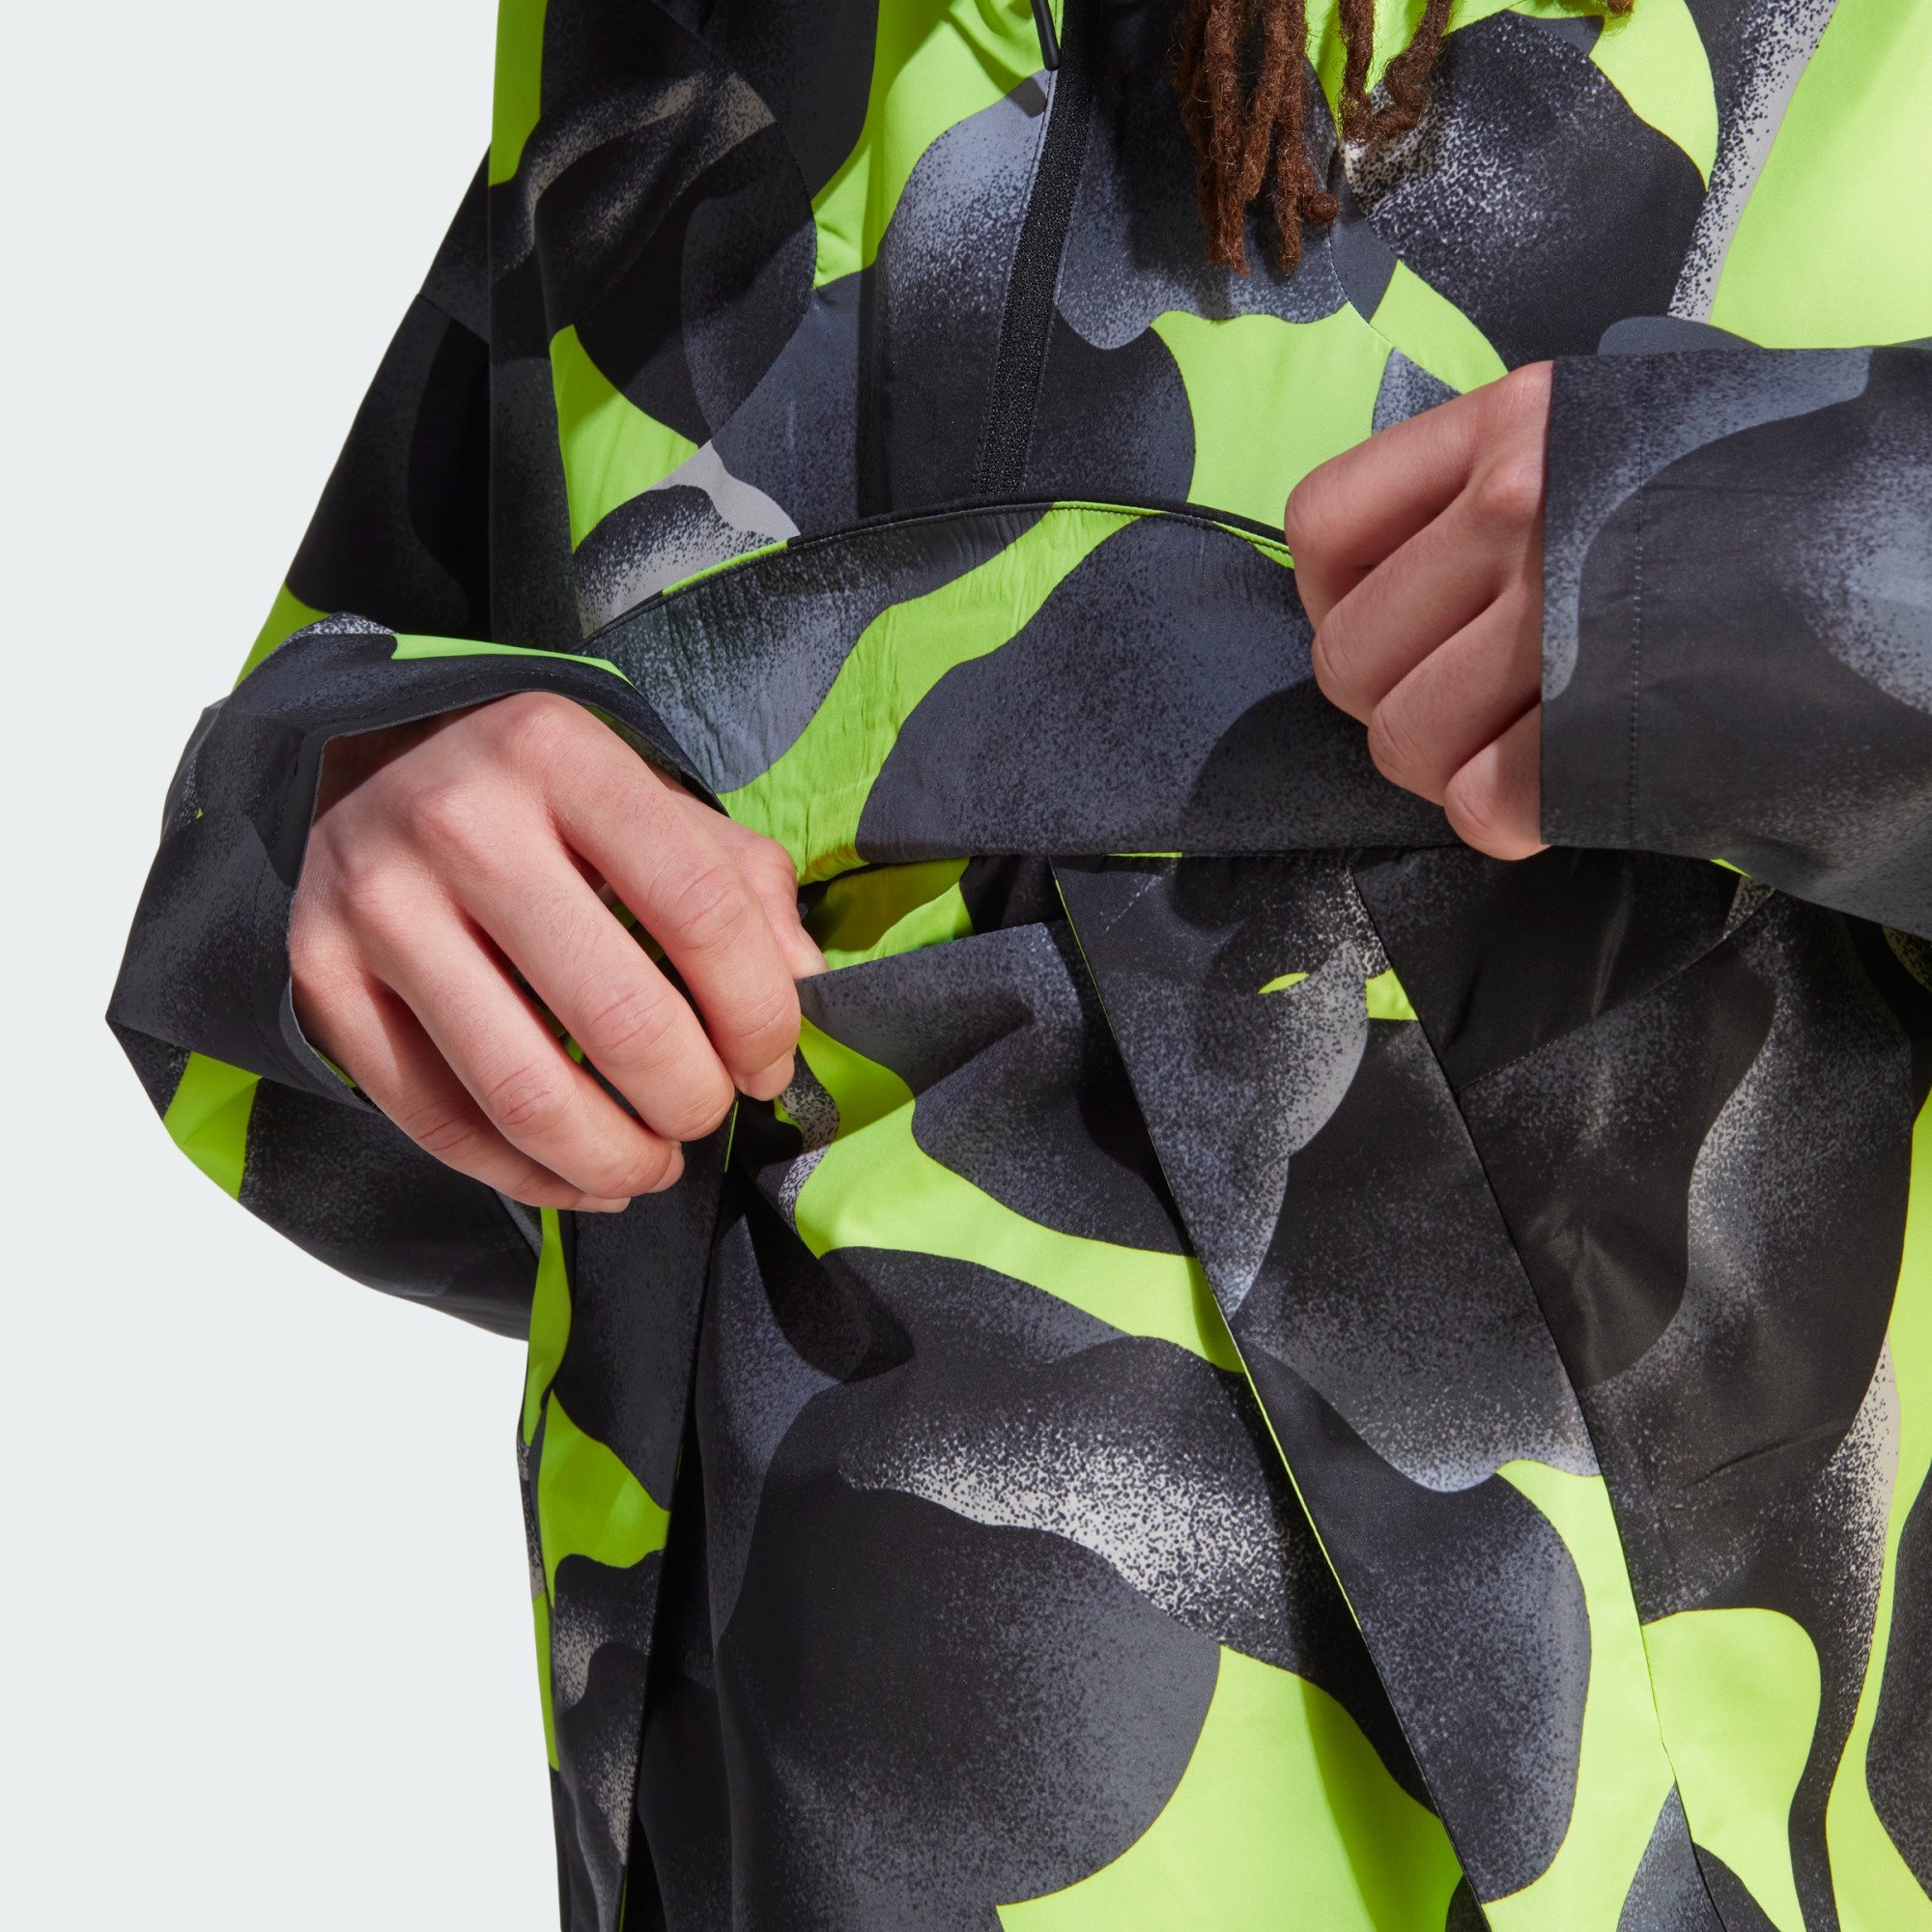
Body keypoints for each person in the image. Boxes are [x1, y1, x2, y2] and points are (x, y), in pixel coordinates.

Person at [110, 0, 1932, 1925]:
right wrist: (372, 810)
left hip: (1681, 1778)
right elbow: (303, 945)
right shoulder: (680, 40)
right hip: (792, 1781)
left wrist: (1797, 557)